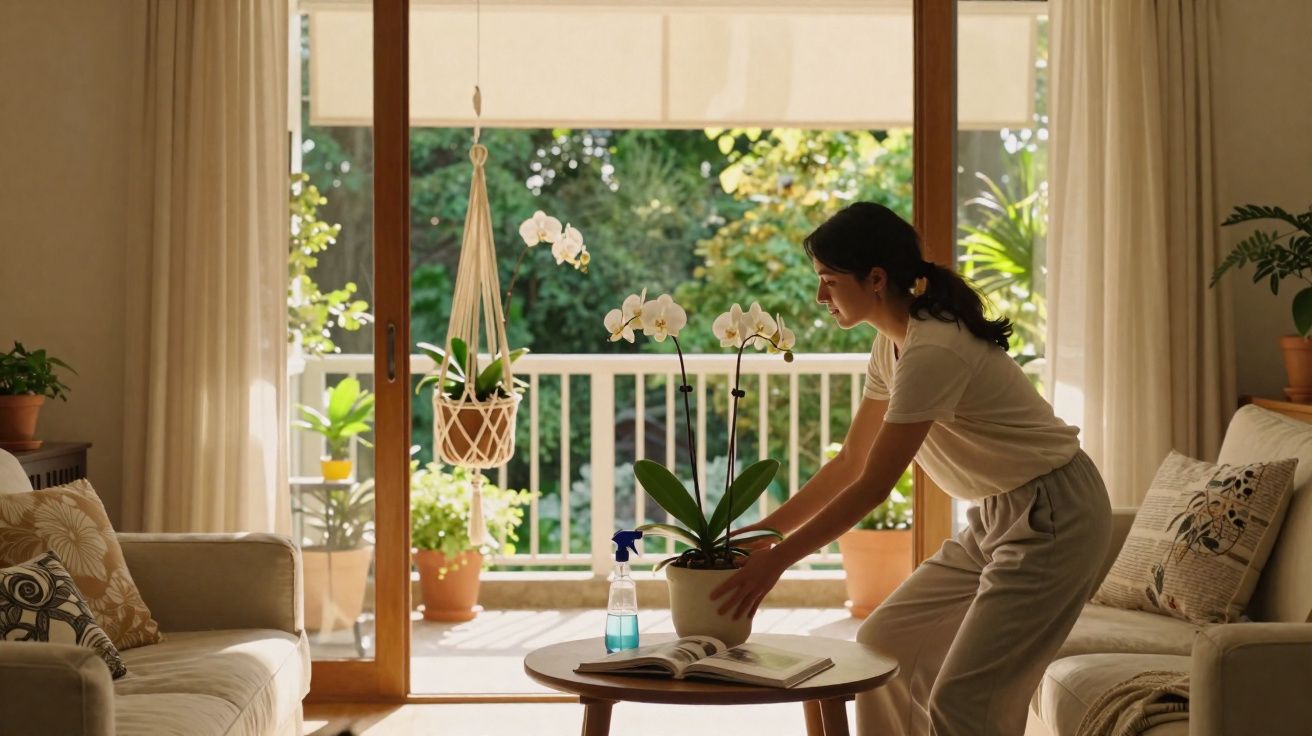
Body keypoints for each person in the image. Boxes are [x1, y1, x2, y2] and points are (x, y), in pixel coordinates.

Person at [710, 202, 1111, 736]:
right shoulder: (892, 344)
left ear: (876, 279)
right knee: (884, 646)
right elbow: (851, 461)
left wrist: (778, 561)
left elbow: (874, 486)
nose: (820, 296)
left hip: (1055, 516)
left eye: (830, 280)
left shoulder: (934, 350)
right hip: (997, 514)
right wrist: (763, 533)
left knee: (967, 701)